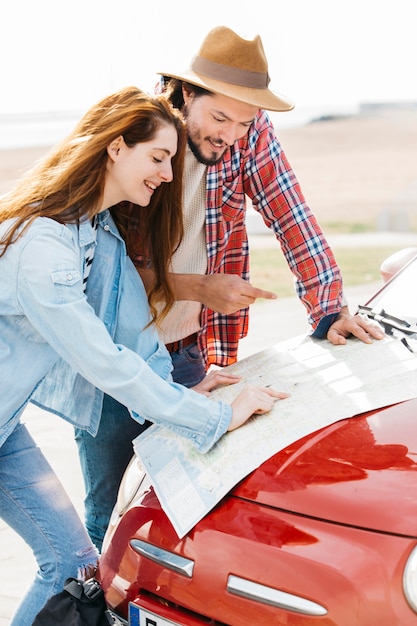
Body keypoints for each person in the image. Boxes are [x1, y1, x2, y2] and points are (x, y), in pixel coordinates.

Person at [76, 26, 386, 552]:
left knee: (188, 505)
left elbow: (293, 215)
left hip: (188, 353)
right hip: (112, 356)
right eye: (220, 119)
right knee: (109, 509)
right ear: (186, 93)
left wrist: (330, 309)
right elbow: (101, 271)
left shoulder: (250, 131)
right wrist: (201, 287)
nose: (231, 135)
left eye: (243, 122)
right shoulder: (141, 135)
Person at [0, 86, 286, 625]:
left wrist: (184, 392)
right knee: (74, 560)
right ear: (115, 148)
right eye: (157, 157)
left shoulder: (96, 231)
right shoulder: (42, 245)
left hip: (4, 428)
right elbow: (104, 360)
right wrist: (216, 417)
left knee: (74, 561)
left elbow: (133, 328)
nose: (166, 173)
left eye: (170, 161)